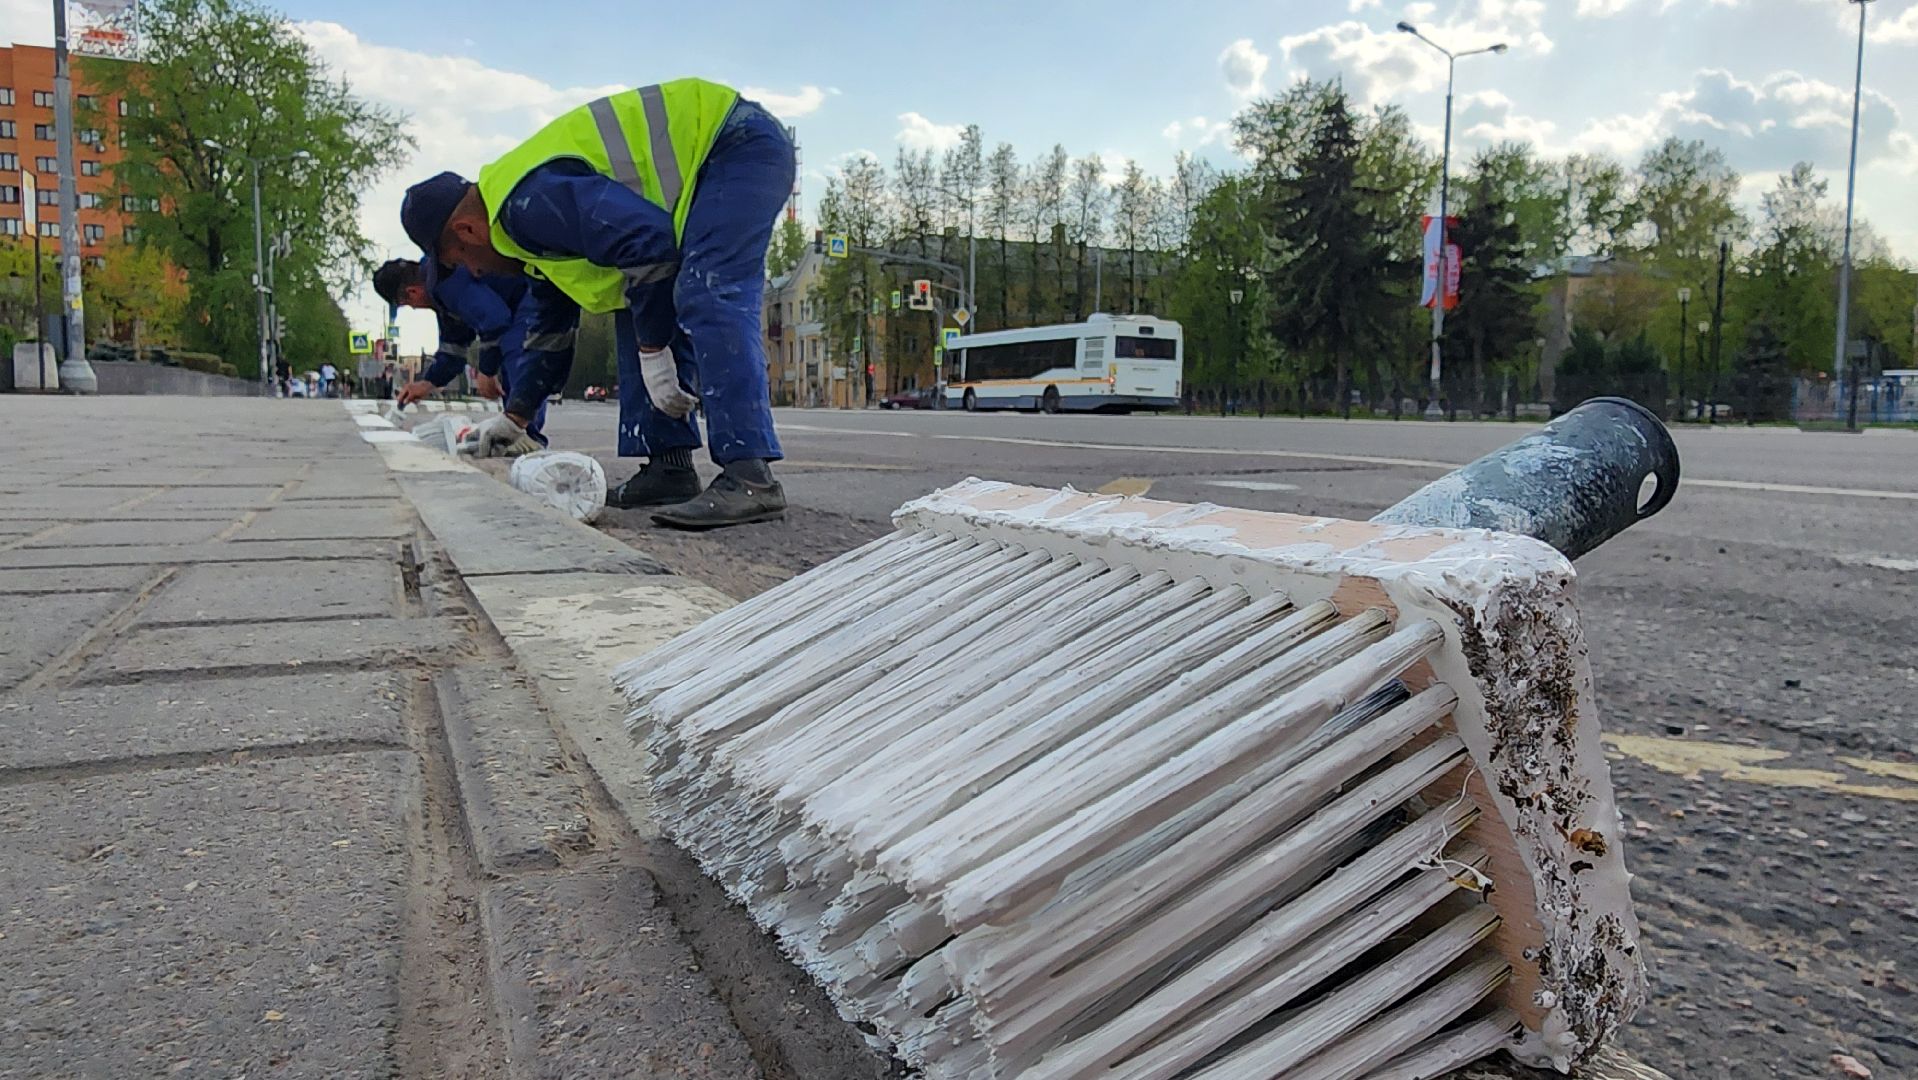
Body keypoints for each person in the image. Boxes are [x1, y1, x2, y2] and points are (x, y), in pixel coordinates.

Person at [397, 77, 794, 530]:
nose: (475, 273)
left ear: (468, 231)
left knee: (708, 289)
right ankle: (670, 466)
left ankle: (750, 476)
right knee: (635, 302)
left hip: (734, 145)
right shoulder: (525, 239)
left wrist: (653, 350)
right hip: (718, 155)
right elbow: (549, 336)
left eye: (460, 261)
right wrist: (515, 419)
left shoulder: (527, 202)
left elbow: (652, 245)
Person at [372, 257, 571, 451]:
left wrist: (487, 371)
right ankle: (517, 435)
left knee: (518, 358)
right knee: (511, 353)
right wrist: (426, 384)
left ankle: (526, 438)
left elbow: (495, 320)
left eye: (408, 305)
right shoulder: (440, 289)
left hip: (530, 295)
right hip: (516, 305)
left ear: (413, 292)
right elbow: (453, 349)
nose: (415, 308)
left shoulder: (446, 282)